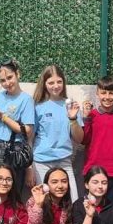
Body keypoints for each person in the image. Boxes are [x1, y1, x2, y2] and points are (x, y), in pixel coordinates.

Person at [0, 58, 35, 198]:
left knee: (10, 193)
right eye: (2, 80)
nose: (7, 83)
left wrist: (2, 116)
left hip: (11, 150)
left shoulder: (26, 99)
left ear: (18, 74)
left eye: (10, 77)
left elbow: (27, 131)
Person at [31, 64, 84, 200]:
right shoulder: (37, 106)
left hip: (64, 160)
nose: (56, 86)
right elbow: (29, 137)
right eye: (51, 83)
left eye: (59, 81)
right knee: (45, 202)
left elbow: (79, 139)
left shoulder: (71, 106)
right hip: (42, 162)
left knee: (74, 200)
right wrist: (29, 167)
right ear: (44, 84)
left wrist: (73, 119)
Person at [80, 76, 113, 204]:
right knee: (92, 209)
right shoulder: (91, 114)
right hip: (93, 171)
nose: (107, 97)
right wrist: (86, 117)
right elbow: (84, 139)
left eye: (111, 93)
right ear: (97, 93)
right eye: (103, 93)